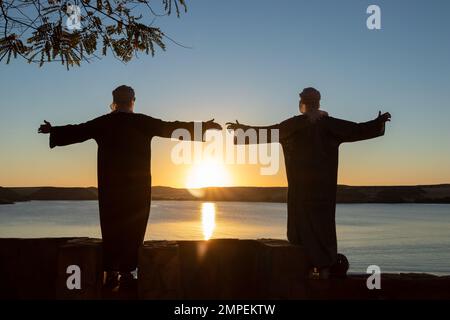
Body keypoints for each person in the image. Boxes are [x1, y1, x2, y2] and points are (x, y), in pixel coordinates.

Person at [38, 85, 222, 288]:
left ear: (114, 101)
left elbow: (77, 130)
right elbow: (172, 127)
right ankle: (127, 273)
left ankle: (111, 272)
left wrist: (53, 130)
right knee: (134, 228)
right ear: (133, 100)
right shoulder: (142, 122)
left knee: (111, 226)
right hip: (137, 187)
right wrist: (203, 127)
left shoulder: (104, 123)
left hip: (111, 186)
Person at [227, 87, 391, 279]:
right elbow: (357, 129)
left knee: (300, 226)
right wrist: (377, 123)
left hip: (301, 190)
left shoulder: (294, 125)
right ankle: (324, 268)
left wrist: (243, 131)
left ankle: (305, 267)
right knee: (323, 227)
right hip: (324, 190)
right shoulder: (330, 125)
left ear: (301, 104)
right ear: (318, 103)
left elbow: (268, 132)